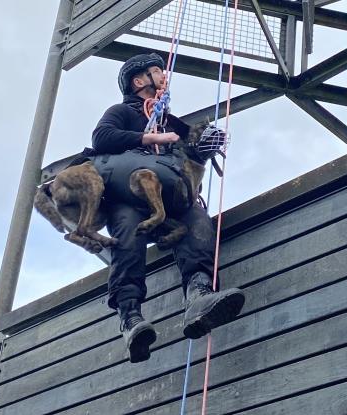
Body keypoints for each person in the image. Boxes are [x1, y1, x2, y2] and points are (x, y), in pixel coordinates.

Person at [90, 53, 245, 363]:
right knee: (127, 229)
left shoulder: (170, 123)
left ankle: (198, 295)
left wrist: (201, 147)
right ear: (139, 81)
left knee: (196, 218)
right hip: (130, 193)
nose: (164, 76)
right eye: (157, 71)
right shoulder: (122, 112)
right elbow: (101, 138)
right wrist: (149, 137)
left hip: (168, 198)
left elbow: (188, 163)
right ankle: (130, 316)